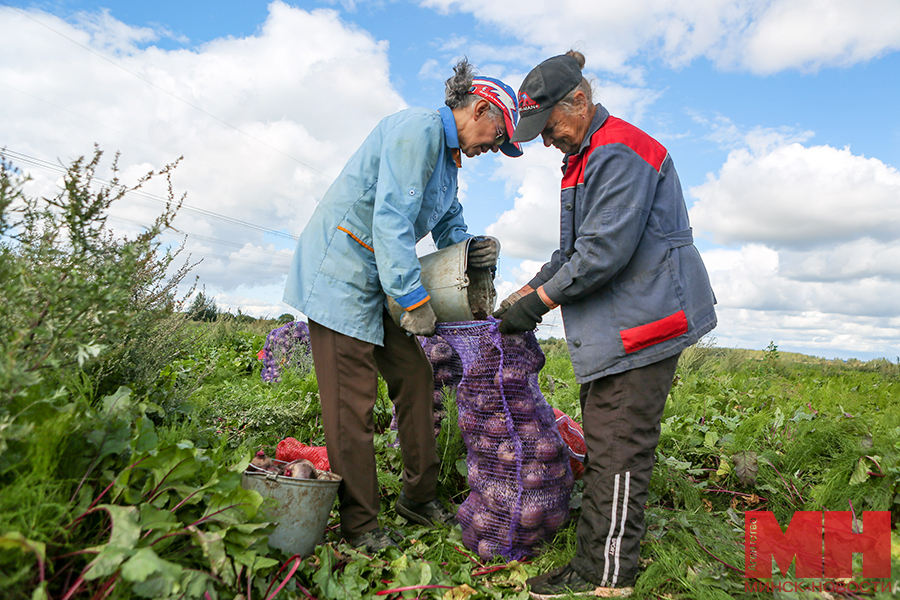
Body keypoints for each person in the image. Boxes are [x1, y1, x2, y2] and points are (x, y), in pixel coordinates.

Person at [495, 51, 717, 598]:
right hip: (615, 327)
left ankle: (607, 574)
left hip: (644, 322)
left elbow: (600, 255)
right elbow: (569, 252)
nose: (546, 141)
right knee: (608, 442)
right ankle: (596, 558)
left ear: (579, 101)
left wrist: (537, 304)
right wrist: (519, 297)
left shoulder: (619, 151)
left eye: (548, 127)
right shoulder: (584, 157)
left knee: (618, 450)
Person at [283, 59, 521, 554]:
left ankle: (419, 497)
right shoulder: (419, 129)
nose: (492, 149)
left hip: (380, 279)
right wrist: (413, 300)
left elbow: (449, 224)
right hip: (341, 273)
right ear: (480, 109)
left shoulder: (447, 164)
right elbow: (391, 219)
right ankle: (360, 528)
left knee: (415, 376)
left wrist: (471, 249)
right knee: (354, 403)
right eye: (497, 137)